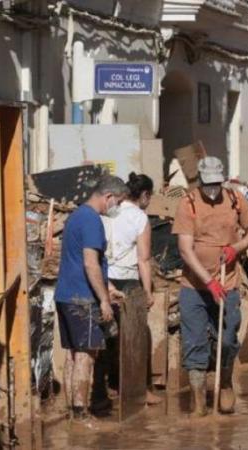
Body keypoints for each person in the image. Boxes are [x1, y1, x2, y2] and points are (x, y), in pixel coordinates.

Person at [172, 156, 248, 416]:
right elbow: (186, 251)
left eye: (216, 184)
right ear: (199, 180)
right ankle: (199, 401)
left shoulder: (235, 200)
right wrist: (209, 282)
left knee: (229, 338)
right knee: (194, 341)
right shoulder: (188, 204)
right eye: (207, 184)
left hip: (229, 284)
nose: (212, 189)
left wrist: (236, 248)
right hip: (194, 287)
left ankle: (224, 382)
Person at [54, 175, 128, 421]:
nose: (117, 207)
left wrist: (109, 287)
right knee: (87, 354)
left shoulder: (76, 216)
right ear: (109, 197)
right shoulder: (92, 220)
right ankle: (81, 415)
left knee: (73, 354)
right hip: (82, 298)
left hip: (66, 295)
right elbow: (90, 263)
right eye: (118, 201)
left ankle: (72, 414)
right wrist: (104, 300)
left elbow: (80, 259)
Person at [94, 173, 161, 410]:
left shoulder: (108, 212)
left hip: (103, 279)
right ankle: (140, 391)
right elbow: (143, 259)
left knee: (106, 335)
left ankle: (105, 390)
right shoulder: (140, 217)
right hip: (128, 281)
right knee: (134, 337)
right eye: (149, 197)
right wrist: (148, 291)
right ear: (144, 195)